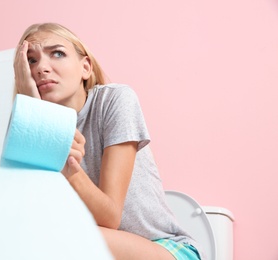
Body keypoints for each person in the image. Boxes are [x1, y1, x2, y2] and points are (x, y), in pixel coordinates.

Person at [14, 22, 202, 260]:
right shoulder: (33, 131)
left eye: (57, 53)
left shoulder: (115, 100)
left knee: (61, 236)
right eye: (30, 60)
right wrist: (34, 110)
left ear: (85, 67)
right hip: (93, 250)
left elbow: (110, 217)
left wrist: (65, 163)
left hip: (167, 249)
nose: (41, 67)